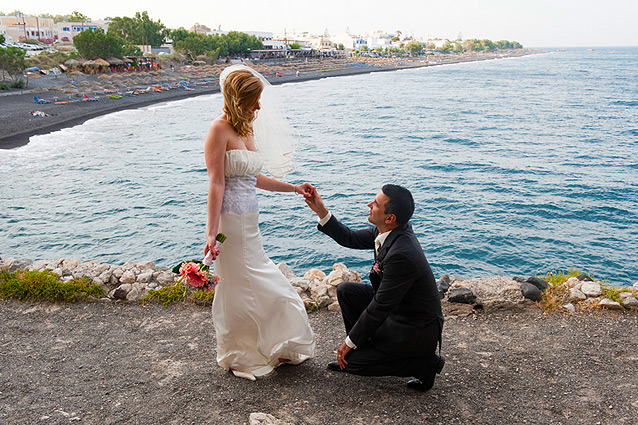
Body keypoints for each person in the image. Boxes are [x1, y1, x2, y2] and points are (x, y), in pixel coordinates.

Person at [204, 65, 315, 381]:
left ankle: (263, 344)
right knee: (248, 286)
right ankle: (242, 351)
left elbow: (253, 179)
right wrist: (212, 234)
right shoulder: (218, 130)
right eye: (253, 100)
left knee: (247, 285)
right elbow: (216, 184)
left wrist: (294, 188)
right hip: (231, 225)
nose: (258, 107)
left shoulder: (246, 130)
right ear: (238, 99)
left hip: (249, 222)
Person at [304, 184, 445, 392]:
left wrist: (348, 343)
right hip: (397, 309)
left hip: (413, 327)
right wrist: (321, 211)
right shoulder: (390, 231)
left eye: (376, 204)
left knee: (352, 364)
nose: (369, 204)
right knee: (346, 291)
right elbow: (349, 237)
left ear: (390, 218)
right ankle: (367, 347)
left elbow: (380, 307)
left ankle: (424, 364)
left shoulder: (402, 253)